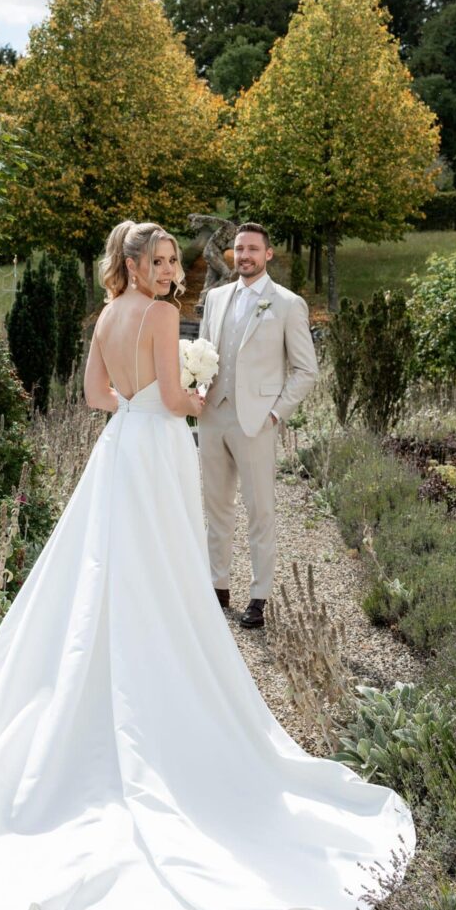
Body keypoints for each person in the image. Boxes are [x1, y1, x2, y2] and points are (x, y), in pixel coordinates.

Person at [0, 219, 414, 910]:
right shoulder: (158, 316)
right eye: (159, 262)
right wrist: (193, 385)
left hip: (119, 446)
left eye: (172, 264)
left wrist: (143, 402)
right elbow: (180, 401)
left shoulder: (104, 318)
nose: (170, 274)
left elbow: (97, 395)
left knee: (103, 567)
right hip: (157, 446)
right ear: (133, 263)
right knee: (162, 562)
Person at [199, 222, 318, 628]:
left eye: (252, 249)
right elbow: (202, 353)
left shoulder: (287, 303)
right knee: (215, 505)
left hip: (256, 421)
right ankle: (217, 587)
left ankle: (259, 596)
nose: (244, 256)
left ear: (268, 254)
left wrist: (275, 413)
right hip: (213, 415)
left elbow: (306, 370)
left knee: (260, 510)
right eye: (238, 249)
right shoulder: (214, 298)